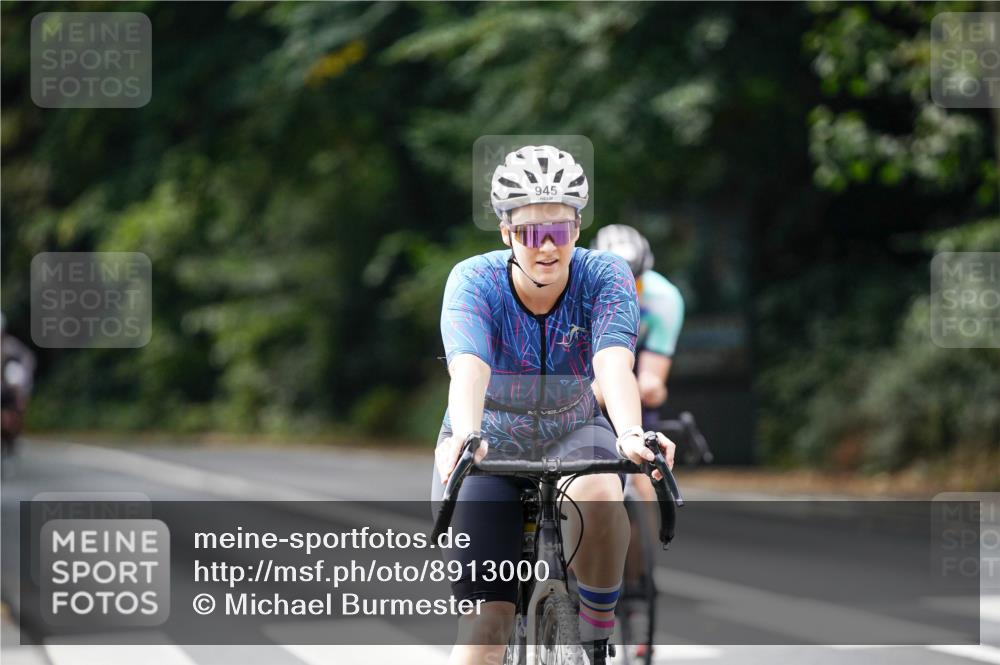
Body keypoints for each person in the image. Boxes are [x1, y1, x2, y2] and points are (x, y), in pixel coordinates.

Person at [432, 145, 675, 665]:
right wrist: (467, 436)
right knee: (487, 626)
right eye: (529, 232)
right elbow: (469, 367)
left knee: (603, 487)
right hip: (488, 443)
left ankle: (593, 638)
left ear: (579, 228)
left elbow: (614, 363)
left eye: (560, 230)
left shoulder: (604, 275)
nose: (546, 247)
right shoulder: (474, 281)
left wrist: (632, 434)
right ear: (504, 232)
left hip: (573, 429)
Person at [590, 225, 684, 658]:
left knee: (641, 480)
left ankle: (638, 576)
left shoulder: (663, 299)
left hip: (633, 391)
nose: (629, 288)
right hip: (587, 387)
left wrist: (647, 385)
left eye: (637, 280)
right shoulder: (583, 285)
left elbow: (653, 376)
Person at [1, 312, 36, 457]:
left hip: (9, 391)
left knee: (15, 411)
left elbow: (26, 365)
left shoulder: (13, 348)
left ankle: (12, 441)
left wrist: (23, 390)